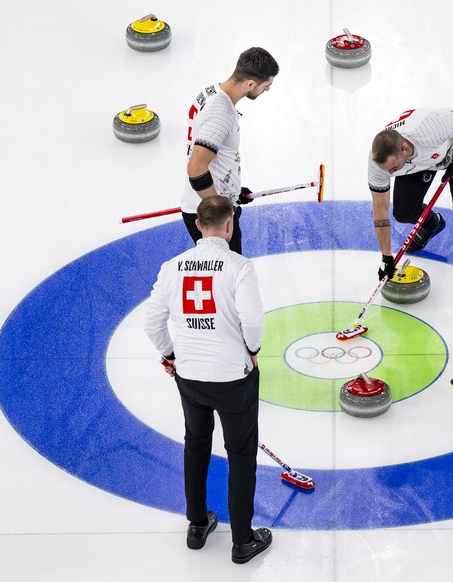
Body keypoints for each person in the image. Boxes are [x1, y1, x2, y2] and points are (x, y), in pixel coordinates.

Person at [144, 195, 272, 564]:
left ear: (198, 225)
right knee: (242, 455)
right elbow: (252, 319)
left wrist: (171, 355)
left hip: (191, 377)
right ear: (230, 225)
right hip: (233, 376)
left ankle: (197, 524)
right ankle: (242, 540)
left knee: (196, 444)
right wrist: (252, 348)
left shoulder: (172, 267)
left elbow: (152, 322)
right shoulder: (239, 266)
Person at [369, 108, 453, 286]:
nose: (391, 174)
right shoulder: (379, 163)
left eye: (393, 168)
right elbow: (380, 208)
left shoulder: (431, 129)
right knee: (403, 212)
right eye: (387, 170)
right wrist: (386, 256)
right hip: (420, 162)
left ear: (405, 148)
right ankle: (433, 223)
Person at [181, 47, 280, 255]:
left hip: (212, 201)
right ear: (250, 84)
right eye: (266, 85)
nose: (267, 90)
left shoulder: (211, 92)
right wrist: (222, 210)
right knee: (228, 281)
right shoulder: (221, 113)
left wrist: (231, 192)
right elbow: (196, 169)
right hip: (211, 216)